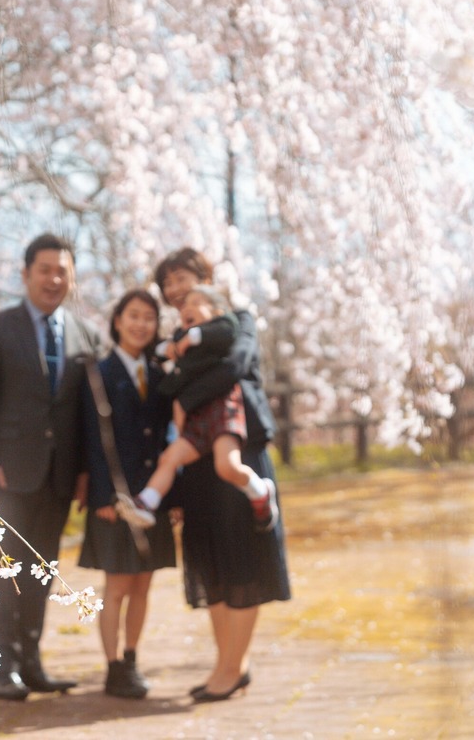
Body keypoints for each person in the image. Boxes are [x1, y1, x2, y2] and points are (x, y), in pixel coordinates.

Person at [0, 233, 101, 701]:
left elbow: (84, 415)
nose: (54, 279)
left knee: (41, 573)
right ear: (26, 275)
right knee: (2, 572)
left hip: (59, 478)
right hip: (5, 476)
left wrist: (84, 472)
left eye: (62, 271)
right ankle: (0, 667)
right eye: (45, 269)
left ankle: (32, 662)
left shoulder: (85, 335)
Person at [152, 247, 291, 703]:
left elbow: (234, 367)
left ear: (204, 276)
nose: (174, 290)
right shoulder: (178, 336)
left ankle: (231, 668)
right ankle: (229, 664)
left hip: (237, 448)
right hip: (195, 462)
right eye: (167, 284)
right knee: (210, 560)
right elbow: (162, 391)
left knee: (242, 557)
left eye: (181, 278)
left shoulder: (239, 320)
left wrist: (184, 387)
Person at [77, 289, 177, 699]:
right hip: (113, 499)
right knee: (116, 585)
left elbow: (167, 441)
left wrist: (172, 500)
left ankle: (133, 660)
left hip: (152, 498)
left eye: (149, 318)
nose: (141, 325)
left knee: (143, 586)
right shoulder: (97, 373)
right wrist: (101, 497)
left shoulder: (159, 376)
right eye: (133, 315)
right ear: (117, 320)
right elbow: (89, 440)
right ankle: (113, 667)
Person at [135, 286, 278, 532]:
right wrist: (166, 350)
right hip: (195, 417)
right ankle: (146, 503)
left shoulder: (222, 328)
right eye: (184, 306)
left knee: (227, 466)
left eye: (196, 302)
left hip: (223, 409)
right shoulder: (181, 339)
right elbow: (162, 353)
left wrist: (195, 336)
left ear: (216, 310)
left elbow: (226, 330)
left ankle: (261, 491)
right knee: (170, 458)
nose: (187, 308)